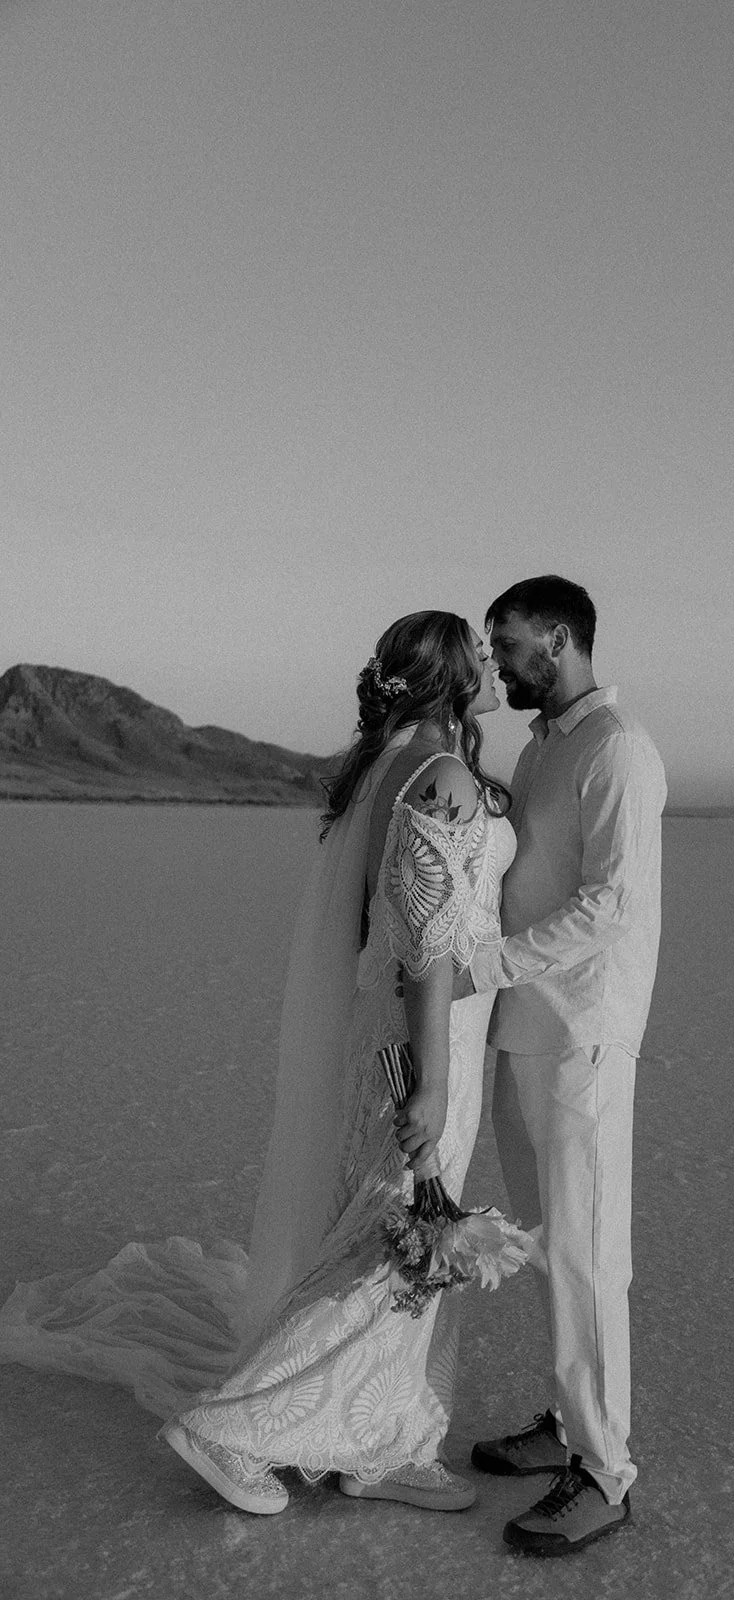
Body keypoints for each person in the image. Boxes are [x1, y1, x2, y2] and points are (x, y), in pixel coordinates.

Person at [0, 611, 517, 1516]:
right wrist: (433, 1085)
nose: (486, 659)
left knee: (377, 1230)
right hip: (427, 1037)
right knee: (392, 1246)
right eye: (476, 649)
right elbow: (427, 947)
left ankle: (376, 1439)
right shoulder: (439, 775)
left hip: (383, 1030)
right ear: (454, 673)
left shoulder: (383, 767)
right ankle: (233, 1429)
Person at [460, 575, 667, 1556]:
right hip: (519, 1026)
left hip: (583, 1031)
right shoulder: (543, 746)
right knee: (550, 1241)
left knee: (588, 1253)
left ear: (557, 637)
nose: (495, 662)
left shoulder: (617, 749)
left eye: (506, 645)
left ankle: (604, 1469)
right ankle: (562, 1421)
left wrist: (482, 963)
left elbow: (610, 907)